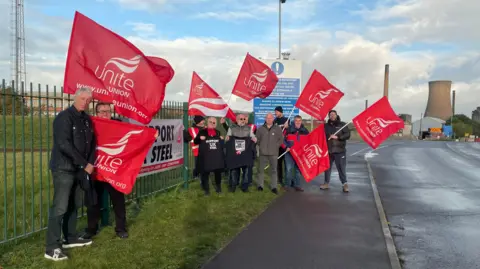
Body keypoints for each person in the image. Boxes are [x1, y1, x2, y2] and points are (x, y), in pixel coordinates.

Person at [44, 87, 96, 261]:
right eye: (83, 98)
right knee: (60, 207)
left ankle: (70, 237)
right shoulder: (64, 117)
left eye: (89, 100)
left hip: (79, 170)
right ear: (75, 98)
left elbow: (91, 143)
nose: (85, 102)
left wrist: (88, 164)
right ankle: (51, 247)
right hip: (63, 168)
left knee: (74, 204)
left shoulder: (87, 120)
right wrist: (84, 163)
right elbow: (63, 144)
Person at [83, 102, 129, 240]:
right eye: (102, 111)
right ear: (96, 113)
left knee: (118, 201)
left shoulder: (118, 124)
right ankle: (91, 229)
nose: (105, 114)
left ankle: (121, 228)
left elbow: (134, 136)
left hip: (112, 170)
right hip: (96, 170)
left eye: (108, 111)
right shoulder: (90, 125)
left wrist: (151, 135)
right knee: (93, 202)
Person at [224, 113, 257, 192]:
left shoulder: (249, 128)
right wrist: (227, 138)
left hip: (245, 153)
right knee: (234, 170)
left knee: (246, 170)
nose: (242, 121)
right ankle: (233, 186)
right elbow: (227, 139)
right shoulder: (231, 128)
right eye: (240, 119)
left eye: (244, 119)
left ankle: (245, 187)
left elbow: (253, 137)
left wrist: (254, 139)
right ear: (236, 120)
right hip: (235, 154)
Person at [321, 110, 351, 193]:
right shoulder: (325, 126)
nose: (332, 116)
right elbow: (321, 136)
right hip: (329, 151)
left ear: (336, 115)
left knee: (341, 168)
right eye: (330, 115)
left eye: (334, 114)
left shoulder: (342, 124)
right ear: (329, 116)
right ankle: (326, 183)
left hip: (340, 151)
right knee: (327, 168)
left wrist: (338, 137)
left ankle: (344, 184)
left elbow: (348, 135)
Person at [194, 117, 225, 195]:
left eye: (214, 122)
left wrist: (222, 139)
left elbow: (222, 145)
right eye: (210, 122)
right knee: (205, 174)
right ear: (207, 123)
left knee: (217, 173)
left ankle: (219, 188)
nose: (212, 123)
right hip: (205, 158)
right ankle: (206, 190)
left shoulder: (218, 132)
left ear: (216, 124)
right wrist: (199, 138)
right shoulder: (202, 132)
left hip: (216, 158)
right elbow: (195, 141)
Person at [256, 113, 284, 194]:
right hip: (263, 153)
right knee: (260, 170)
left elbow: (281, 139)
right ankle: (260, 186)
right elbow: (257, 139)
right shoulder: (260, 129)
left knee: (274, 170)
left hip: (273, 153)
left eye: (270, 118)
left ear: (273, 119)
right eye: (267, 118)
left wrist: (276, 146)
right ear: (265, 119)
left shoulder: (277, 128)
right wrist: (261, 146)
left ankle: (274, 187)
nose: (269, 119)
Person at [282, 115, 308, 192]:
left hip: (300, 154)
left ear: (301, 121)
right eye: (296, 120)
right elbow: (282, 140)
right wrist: (286, 147)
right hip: (289, 152)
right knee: (289, 169)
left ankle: (297, 185)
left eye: (299, 120)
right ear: (294, 121)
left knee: (298, 170)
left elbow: (309, 141)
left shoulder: (305, 131)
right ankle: (287, 185)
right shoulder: (288, 129)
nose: (298, 122)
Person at [273, 106, 289, 186]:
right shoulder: (275, 120)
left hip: (285, 144)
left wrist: (287, 126)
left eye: (277, 111)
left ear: (281, 112)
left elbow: (290, 131)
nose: (275, 113)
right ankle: (279, 179)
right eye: (275, 112)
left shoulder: (286, 120)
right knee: (278, 163)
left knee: (287, 163)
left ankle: (288, 179)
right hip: (277, 145)